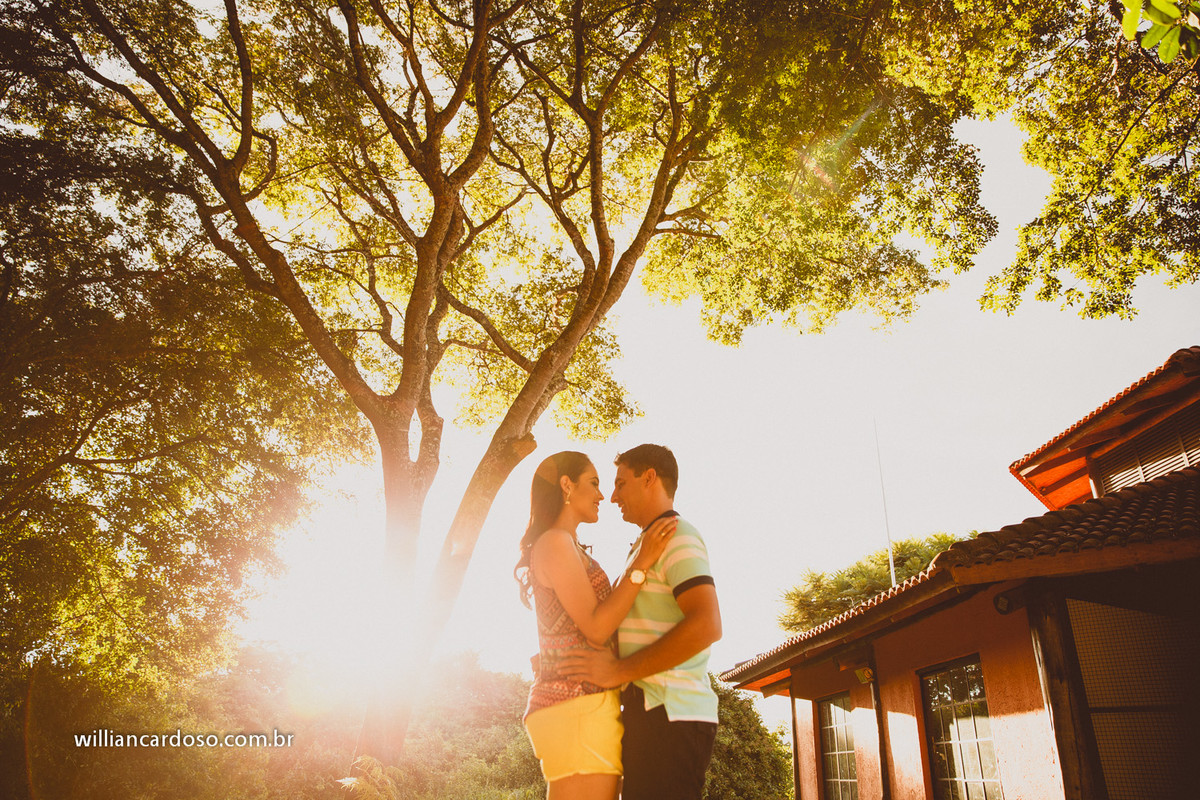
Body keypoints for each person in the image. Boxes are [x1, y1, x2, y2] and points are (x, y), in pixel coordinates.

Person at [560, 444, 722, 800]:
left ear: (649, 477)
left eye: (620, 483)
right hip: (649, 714)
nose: (613, 496)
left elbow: (708, 624)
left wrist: (617, 672)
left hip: (671, 714)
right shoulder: (646, 544)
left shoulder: (677, 536)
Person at [515, 451, 678, 800]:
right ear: (566, 486)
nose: (603, 495)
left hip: (582, 706)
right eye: (594, 483)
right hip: (576, 707)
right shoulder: (556, 542)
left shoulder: (567, 544)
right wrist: (643, 562)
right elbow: (596, 627)